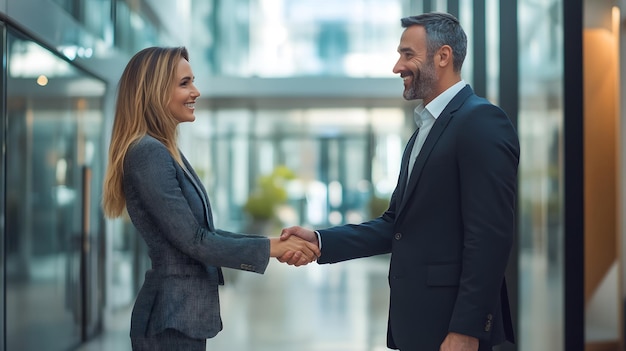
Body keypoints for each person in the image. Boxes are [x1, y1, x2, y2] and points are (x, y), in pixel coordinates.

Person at [279, 12, 518, 351]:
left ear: (443, 56)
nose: (397, 67)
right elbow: (396, 225)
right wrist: (319, 240)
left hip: (454, 330)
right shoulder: (424, 130)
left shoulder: (481, 122)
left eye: (408, 54)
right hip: (418, 328)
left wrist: (467, 329)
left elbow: (490, 237)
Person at [101, 46, 320, 351]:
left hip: (179, 316)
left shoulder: (163, 151)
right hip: (170, 319)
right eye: (184, 83)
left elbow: (205, 233)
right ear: (154, 91)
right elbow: (194, 241)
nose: (196, 91)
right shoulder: (148, 153)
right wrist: (273, 248)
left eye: (193, 81)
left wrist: (272, 243)